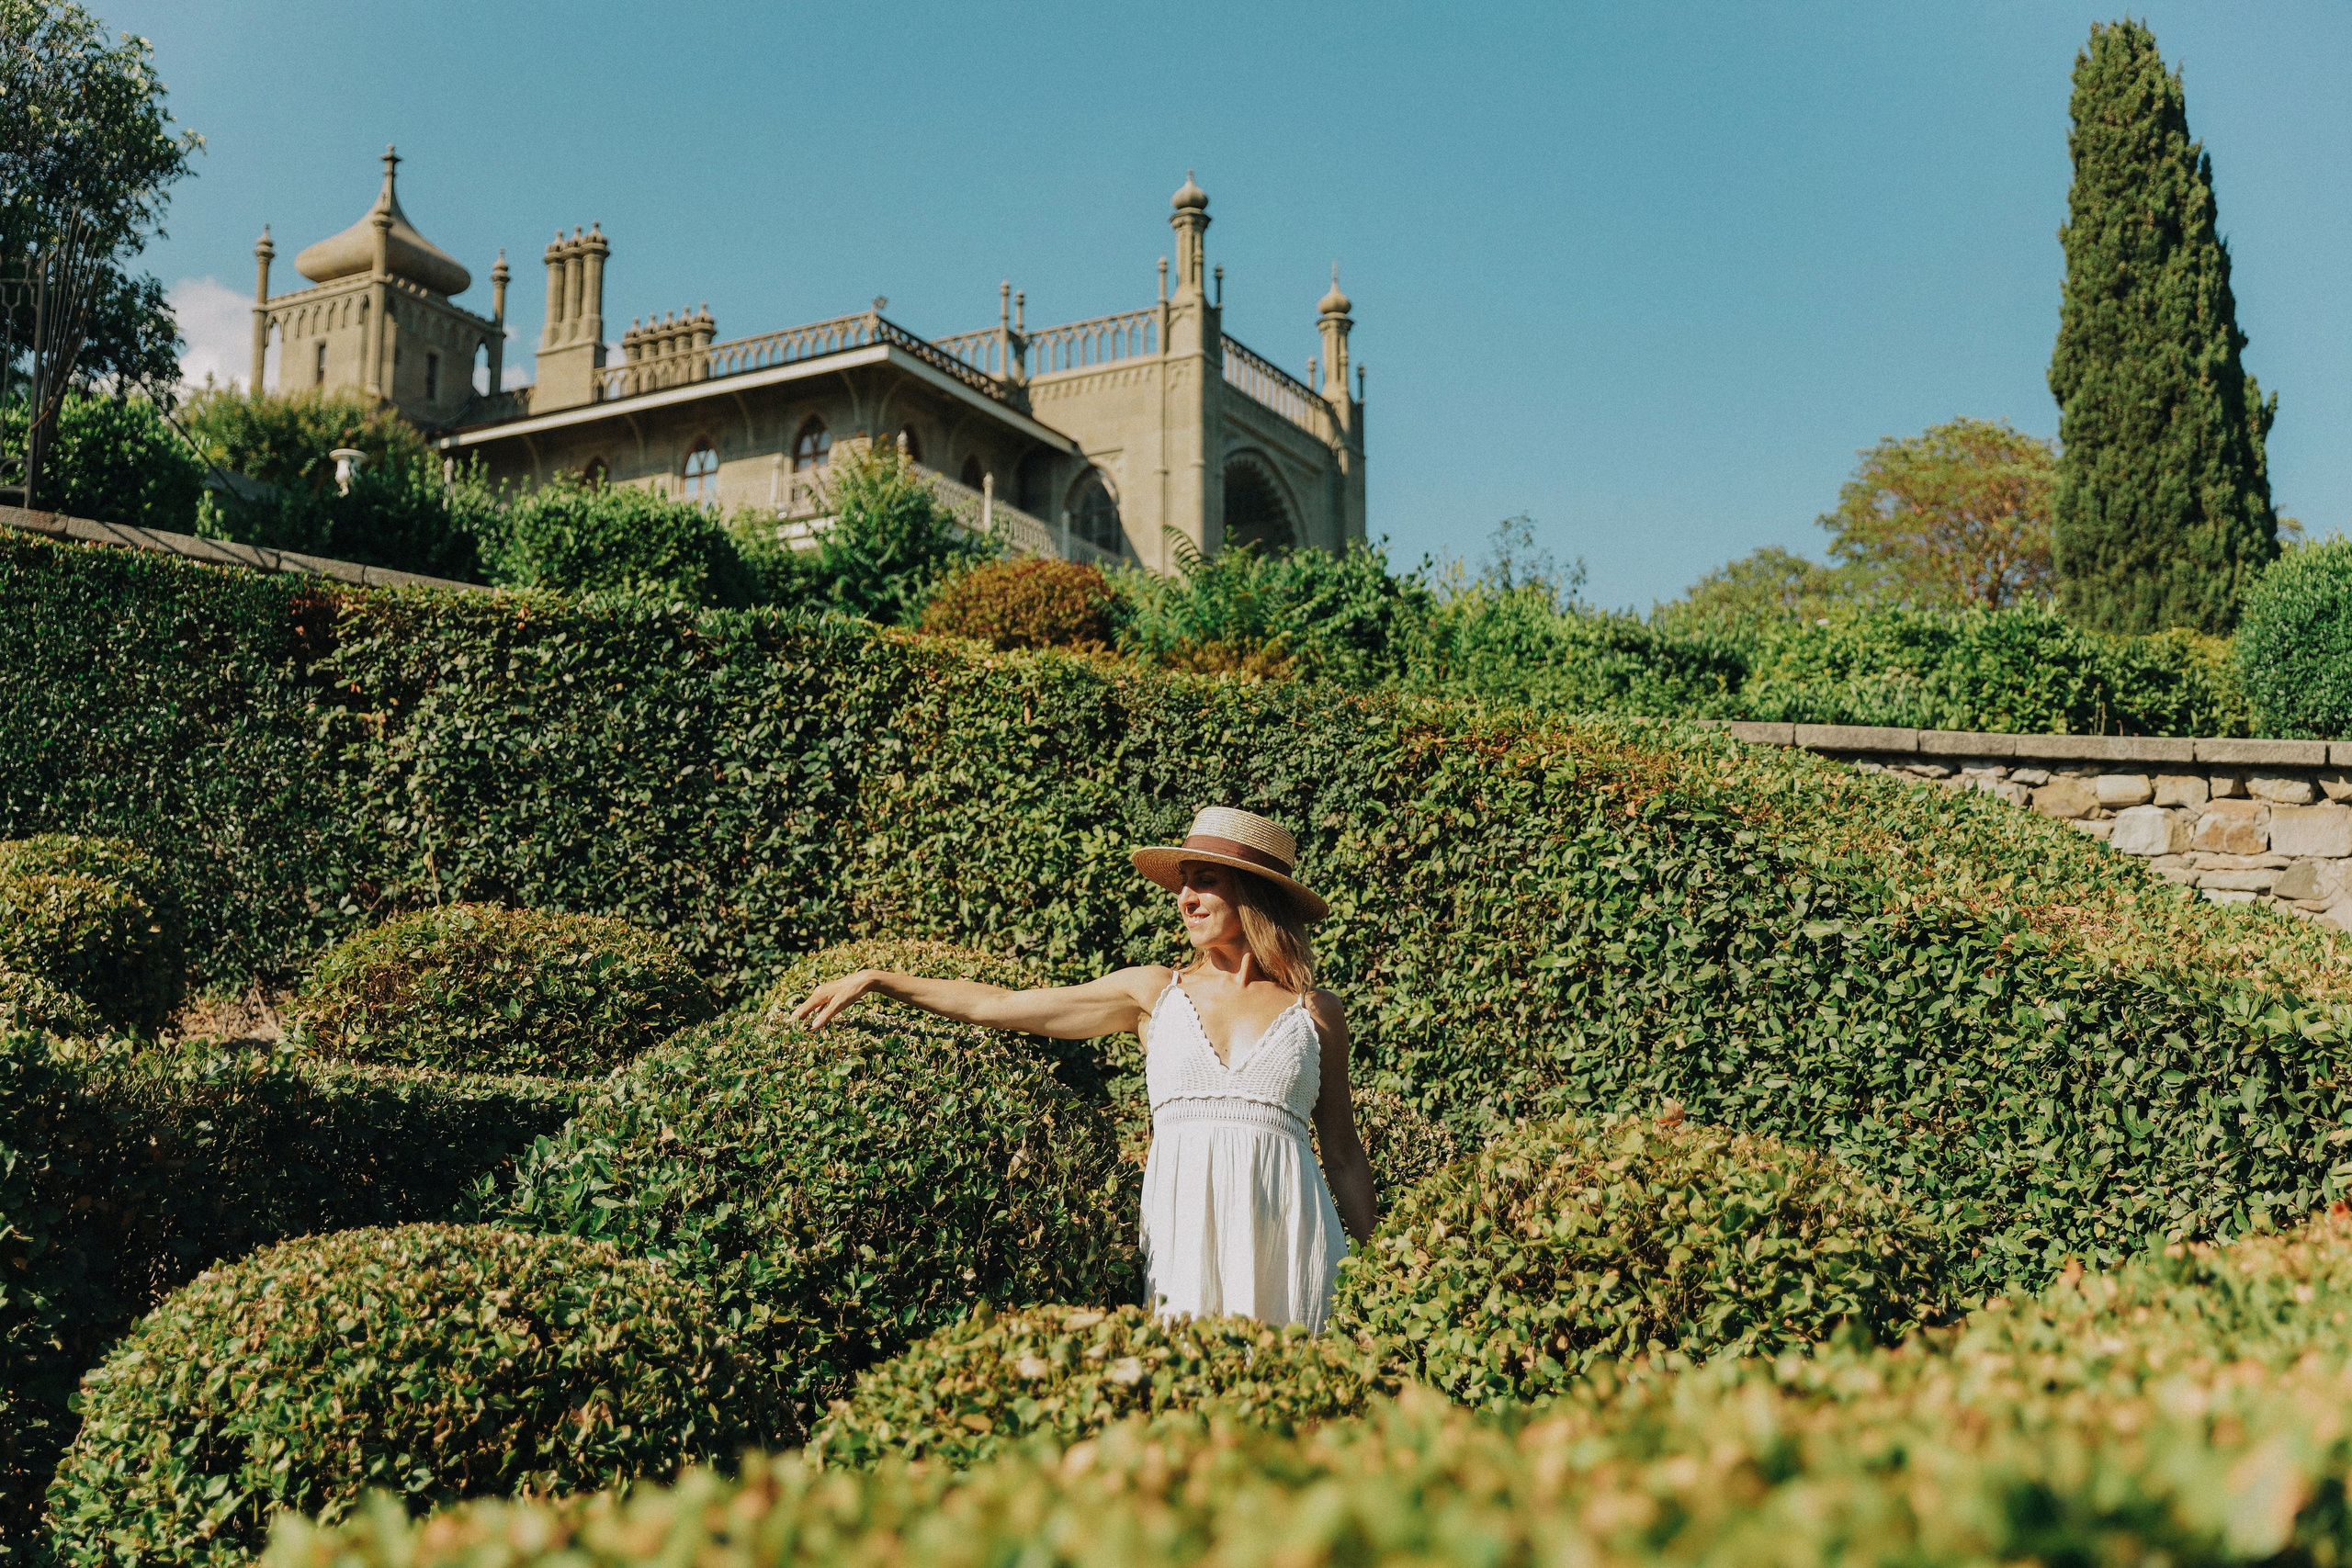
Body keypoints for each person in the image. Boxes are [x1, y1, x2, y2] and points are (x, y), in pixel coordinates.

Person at [792, 805, 1374, 1331]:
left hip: (1290, 1239)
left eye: (1205, 881)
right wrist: (880, 980)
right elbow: (1000, 1005)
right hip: (1184, 1242)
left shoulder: (1316, 1012)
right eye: (1184, 883)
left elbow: (1343, 1154)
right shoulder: (1153, 993)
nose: (1185, 898)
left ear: (1253, 894)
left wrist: (1384, 1273)